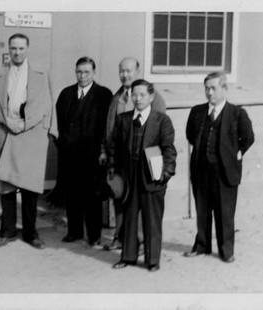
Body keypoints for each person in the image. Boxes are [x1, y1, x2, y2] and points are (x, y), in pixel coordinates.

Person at [0, 33, 58, 250]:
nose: (17, 52)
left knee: (30, 188)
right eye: (13, 48)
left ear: (28, 49)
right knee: (7, 186)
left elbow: (47, 103)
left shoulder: (40, 73)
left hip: (31, 132)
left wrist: (26, 124)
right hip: (6, 132)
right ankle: (7, 232)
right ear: (8, 49)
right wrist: (6, 122)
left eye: (21, 48)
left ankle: (30, 233)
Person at [184, 71, 254, 263]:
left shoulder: (237, 113)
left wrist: (235, 154)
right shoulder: (197, 112)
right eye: (206, 88)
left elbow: (248, 138)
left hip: (225, 172)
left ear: (225, 88)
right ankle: (202, 245)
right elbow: (190, 134)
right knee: (202, 211)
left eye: (213, 88)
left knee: (225, 213)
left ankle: (226, 251)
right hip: (201, 170)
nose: (209, 92)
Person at [109, 79, 176, 271]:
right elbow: (115, 146)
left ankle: (152, 260)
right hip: (129, 177)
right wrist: (113, 168)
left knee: (152, 219)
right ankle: (128, 256)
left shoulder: (162, 120)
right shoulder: (123, 120)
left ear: (151, 97)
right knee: (129, 218)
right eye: (134, 95)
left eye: (142, 95)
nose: (137, 99)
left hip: (152, 177)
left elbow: (169, 150)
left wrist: (166, 173)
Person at [101, 57, 167, 251]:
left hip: (144, 158)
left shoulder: (153, 96)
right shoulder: (117, 97)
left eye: (129, 71)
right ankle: (120, 237)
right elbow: (109, 128)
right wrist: (106, 152)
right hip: (121, 159)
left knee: (142, 202)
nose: (125, 75)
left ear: (137, 71)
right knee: (120, 197)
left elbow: (159, 129)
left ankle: (141, 240)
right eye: (122, 71)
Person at [55, 56, 112, 246]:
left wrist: (103, 150)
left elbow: (106, 125)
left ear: (94, 73)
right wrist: (62, 143)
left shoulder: (103, 95)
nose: (82, 76)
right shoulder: (66, 94)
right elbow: (60, 123)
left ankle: (94, 234)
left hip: (92, 154)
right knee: (72, 194)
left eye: (86, 72)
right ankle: (74, 231)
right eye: (79, 72)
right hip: (70, 154)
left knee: (92, 195)